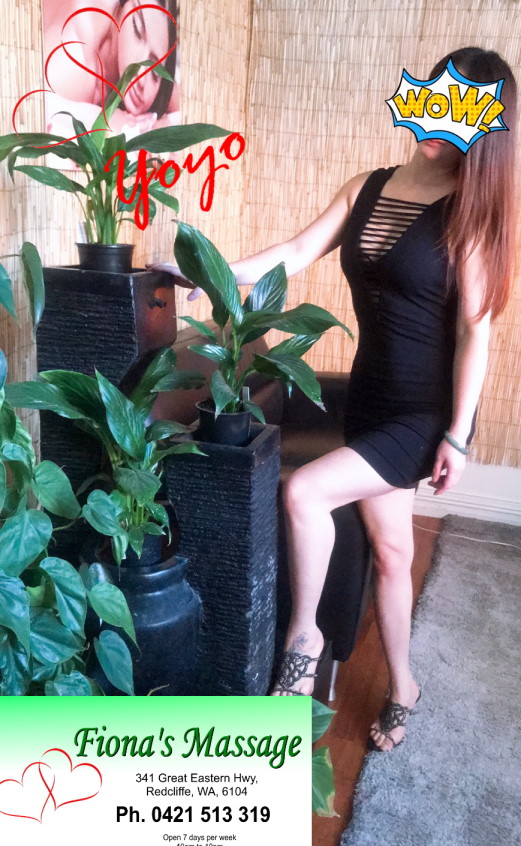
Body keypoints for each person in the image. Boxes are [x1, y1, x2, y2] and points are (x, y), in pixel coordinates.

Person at [153, 47, 517, 751]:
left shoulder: (470, 213)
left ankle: (304, 641)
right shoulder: (369, 188)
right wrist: (206, 271)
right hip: (369, 399)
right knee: (391, 550)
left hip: (422, 415)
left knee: (305, 492)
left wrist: (457, 435)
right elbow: (295, 251)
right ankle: (404, 685)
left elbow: (475, 329)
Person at [43, 0, 179, 136]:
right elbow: (39, 105)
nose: (142, 77)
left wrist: (163, 124)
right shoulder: (73, 55)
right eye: (137, 30)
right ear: (122, 7)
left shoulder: (152, 79)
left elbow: (183, 103)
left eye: (155, 71)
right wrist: (99, 118)